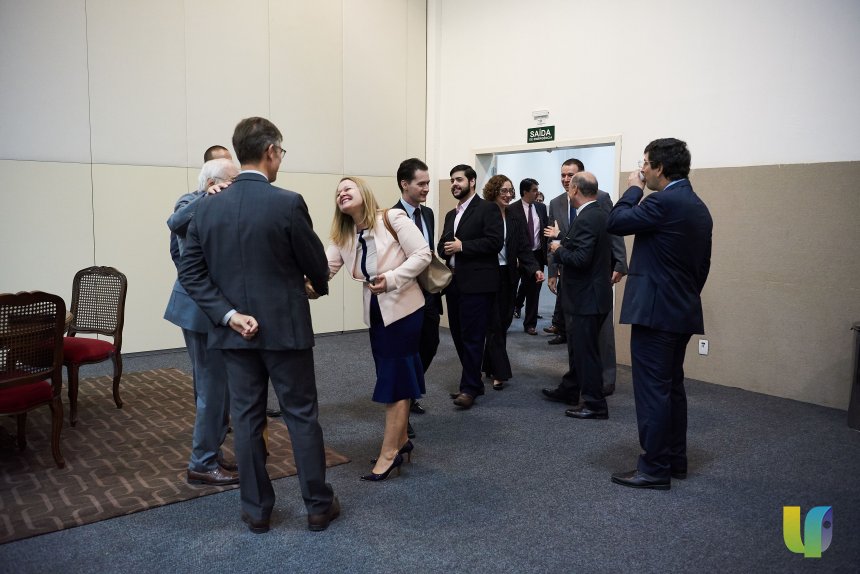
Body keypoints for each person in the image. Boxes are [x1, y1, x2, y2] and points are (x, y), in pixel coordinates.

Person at [179, 117, 340, 533]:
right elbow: (315, 263)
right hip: (286, 329)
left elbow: (191, 274)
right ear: (270, 151)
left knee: (247, 419)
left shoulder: (206, 206)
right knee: (301, 416)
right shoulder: (287, 202)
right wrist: (316, 284)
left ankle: (256, 510)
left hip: (232, 334)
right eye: (281, 152)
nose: (281, 159)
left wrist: (229, 315)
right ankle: (317, 506)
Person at [606, 138, 712, 490]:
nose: (643, 170)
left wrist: (633, 189)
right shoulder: (698, 206)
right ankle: (674, 459)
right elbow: (702, 267)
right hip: (680, 310)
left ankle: (654, 468)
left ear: (659, 168)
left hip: (655, 314)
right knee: (671, 388)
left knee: (653, 391)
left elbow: (616, 221)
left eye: (645, 164)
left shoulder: (662, 201)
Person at [325, 177, 431, 481]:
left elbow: (423, 254)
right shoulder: (343, 234)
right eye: (338, 192)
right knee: (392, 374)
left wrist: (392, 279)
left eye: (348, 188)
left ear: (364, 192)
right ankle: (401, 440)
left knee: (394, 379)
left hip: (404, 309)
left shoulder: (392, 218)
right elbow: (325, 269)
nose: (342, 193)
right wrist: (300, 283)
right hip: (375, 311)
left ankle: (389, 453)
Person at [165, 158, 239, 486]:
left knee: (214, 388)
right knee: (212, 388)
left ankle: (211, 451)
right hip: (200, 311)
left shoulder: (224, 204)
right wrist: (206, 197)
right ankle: (202, 462)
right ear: (212, 182)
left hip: (210, 309)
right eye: (232, 181)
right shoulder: (190, 200)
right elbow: (174, 223)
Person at [543, 159, 628, 395]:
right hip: (570, 275)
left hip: (594, 275)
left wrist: (620, 263)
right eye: (562, 175)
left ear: (579, 179)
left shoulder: (600, 198)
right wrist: (553, 271)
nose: (565, 179)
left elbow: (613, 232)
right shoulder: (556, 203)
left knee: (601, 334)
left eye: (570, 175)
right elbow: (554, 239)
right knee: (575, 333)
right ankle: (576, 381)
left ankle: (606, 380)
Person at [547, 172, 612, 419]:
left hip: (587, 298)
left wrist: (558, 249)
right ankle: (571, 389)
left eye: (569, 184)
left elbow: (581, 259)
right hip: (593, 296)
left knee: (587, 353)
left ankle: (595, 404)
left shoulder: (587, 217)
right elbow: (584, 247)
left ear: (575, 189)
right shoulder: (598, 213)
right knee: (580, 349)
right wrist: (561, 239)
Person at [439, 164, 504, 409]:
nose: (454, 184)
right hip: (453, 283)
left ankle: (468, 388)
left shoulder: (487, 208)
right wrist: (445, 248)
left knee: (473, 337)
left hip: (477, 284)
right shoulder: (451, 214)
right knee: (458, 335)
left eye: (459, 180)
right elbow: (443, 245)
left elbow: (495, 242)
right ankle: (474, 381)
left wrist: (462, 246)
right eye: (452, 180)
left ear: (472, 181)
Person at [391, 158, 440, 434]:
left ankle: (409, 393)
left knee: (430, 344)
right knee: (405, 351)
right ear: (404, 184)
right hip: (404, 294)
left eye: (428, 183)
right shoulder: (389, 218)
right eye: (421, 184)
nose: (426, 189)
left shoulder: (428, 214)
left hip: (428, 293)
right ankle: (402, 412)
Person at [481, 175, 543, 390]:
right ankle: (500, 371)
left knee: (505, 320)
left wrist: (535, 269)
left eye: (510, 191)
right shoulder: (483, 214)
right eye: (504, 191)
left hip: (509, 275)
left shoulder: (514, 216)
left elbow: (524, 247)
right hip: (487, 274)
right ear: (493, 191)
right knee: (495, 323)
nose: (508, 195)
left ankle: (489, 364)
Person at [511, 178, 548, 335]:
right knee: (513, 287)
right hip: (517, 256)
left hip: (537, 255)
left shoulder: (541, 208)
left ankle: (530, 324)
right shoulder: (512, 209)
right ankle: (507, 318)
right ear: (525, 192)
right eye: (534, 190)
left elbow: (545, 230)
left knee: (534, 290)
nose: (537, 193)